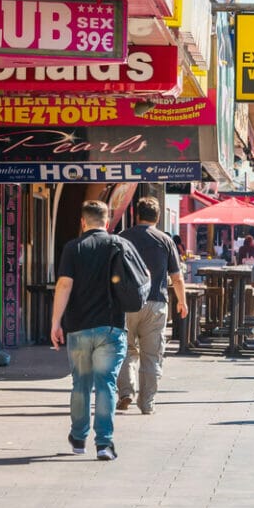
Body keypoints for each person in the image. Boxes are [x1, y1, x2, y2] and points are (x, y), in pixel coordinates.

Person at [51, 200, 135, 460]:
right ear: (107, 222)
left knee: (80, 385)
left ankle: (78, 438)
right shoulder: (119, 244)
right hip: (111, 327)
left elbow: (64, 285)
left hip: (78, 327)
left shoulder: (73, 248)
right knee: (106, 384)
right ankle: (104, 444)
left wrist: (55, 322)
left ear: (83, 222)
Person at [117, 196, 186, 415]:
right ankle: (147, 403)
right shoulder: (165, 240)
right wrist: (182, 302)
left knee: (125, 349)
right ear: (157, 218)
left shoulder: (122, 238)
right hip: (156, 303)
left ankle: (126, 392)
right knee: (152, 355)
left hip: (126, 304)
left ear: (136, 216)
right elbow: (177, 276)